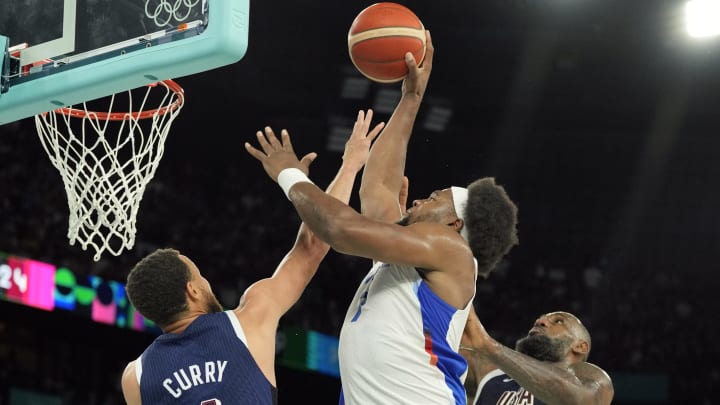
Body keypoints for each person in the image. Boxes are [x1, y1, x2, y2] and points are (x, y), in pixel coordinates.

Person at [245, 30, 519, 405]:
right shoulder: (414, 257)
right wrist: (410, 97)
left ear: (455, 225)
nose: (422, 197)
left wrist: (289, 175)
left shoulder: (451, 250)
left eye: (436, 198)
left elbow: (340, 228)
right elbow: (378, 187)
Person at [119, 109, 385, 405]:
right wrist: (349, 165)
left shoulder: (136, 378)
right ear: (192, 290)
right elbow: (313, 244)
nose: (207, 282)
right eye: (200, 276)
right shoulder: (248, 320)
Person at [460, 305, 614, 405]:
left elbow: (581, 399)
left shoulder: (593, 378)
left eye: (559, 321)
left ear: (580, 346)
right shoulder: (489, 370)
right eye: (540, 319)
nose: (540, 321)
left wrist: (488, 346)